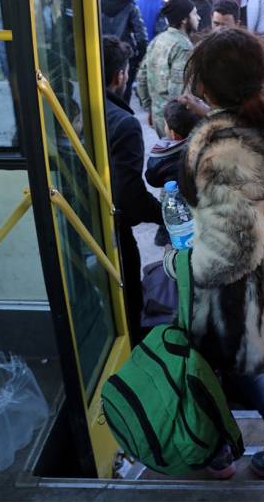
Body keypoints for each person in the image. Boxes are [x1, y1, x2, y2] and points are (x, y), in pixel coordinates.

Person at [170, 26, 264, 480]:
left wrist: (185, 267)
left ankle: (235, 452)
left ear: (205, 87)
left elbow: (232, 248)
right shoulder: (261, 123)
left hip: (238, 296)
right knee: (246, 369)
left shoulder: (222, 149)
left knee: (219, 365)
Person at [102, 36, 163, 343]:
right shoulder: (124, 123)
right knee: (127, 304)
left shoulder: (74, 109)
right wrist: (165, 215)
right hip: (113, 233)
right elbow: (129, 196)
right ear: (120, 76)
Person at [136, 0, 197, 136]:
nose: (198, 17)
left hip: (159, 116)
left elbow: (142, 77)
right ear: (184, 19)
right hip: (176, 123)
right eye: (194, 13)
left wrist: (149, 108)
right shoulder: (183, 47)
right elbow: (178, 90)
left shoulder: (158, 40)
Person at [100, 0, 147, 106]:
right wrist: (140, 56)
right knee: (124, 92)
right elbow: (141, 33)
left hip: (101, 53)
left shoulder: (96, 4)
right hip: (124, 54)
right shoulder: (130, 6)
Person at [145, 97, 202, 189]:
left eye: (166, 124)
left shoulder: (162, 161)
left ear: (174, 134)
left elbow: (151, 179)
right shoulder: (205, 145)